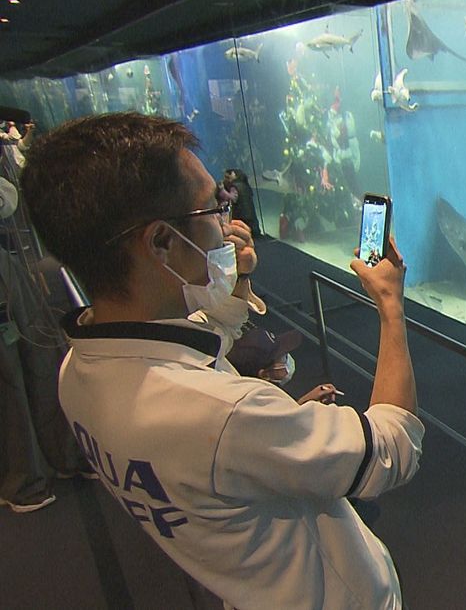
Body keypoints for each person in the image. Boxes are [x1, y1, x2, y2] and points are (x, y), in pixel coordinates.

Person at [20, 112, 424, 609]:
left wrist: (234, 283)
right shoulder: (225, 417)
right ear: (163, 242)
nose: (228, 221)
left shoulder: (76, 377)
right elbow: (390, 447)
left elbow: (195, 346)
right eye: (213, 207)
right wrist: (390, 305)